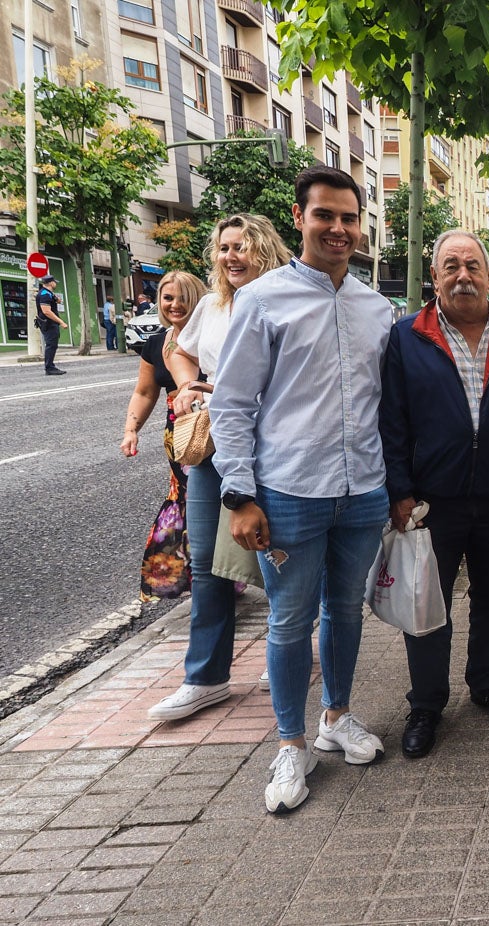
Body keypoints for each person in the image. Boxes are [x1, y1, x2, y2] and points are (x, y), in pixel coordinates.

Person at [211, 166, 393, 813]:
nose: (338, 229)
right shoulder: (263, 300)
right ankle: (290, 743)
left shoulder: (378, 309)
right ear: (299, 217)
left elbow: (388, 407)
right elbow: (231, 404)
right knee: (289, 620)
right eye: (326, 216)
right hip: (287, 492)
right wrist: (238, 494)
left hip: (364, 491)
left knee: (344, 610)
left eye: (349, 218)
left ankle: (336, 717)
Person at [380, 229, 489, 758]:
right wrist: (399, 490)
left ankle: (488, 683)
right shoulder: (407, 337)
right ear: (435, 278)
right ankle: (426, 702)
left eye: (473, 266)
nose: (463, 275)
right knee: (427, 604)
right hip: (431, 501)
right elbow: (391, 421)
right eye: (451, 266)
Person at [148, 215, 294, 723]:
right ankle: (205, 677)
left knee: (281, 555)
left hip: (275, 445)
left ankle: (287, 655)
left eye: (243, 247)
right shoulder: (212, 305)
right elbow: (179, 350)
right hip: (214, 447)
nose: (232, 256)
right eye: (225, 248)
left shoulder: (284, 301)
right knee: (208, 560)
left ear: (265, 250)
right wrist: (190, 384)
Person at [121, 271, 207, 602]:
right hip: (181, 434)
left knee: (204, 499)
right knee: (187, 498)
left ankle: (215, 577)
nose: (175, 304)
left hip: (214, 427)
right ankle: (197, 578)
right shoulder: (156, 342)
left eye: (183, 297)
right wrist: (131, 430)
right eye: (168, 298)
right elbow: (144, 392)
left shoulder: (212, 338)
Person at [34, 275, 67, 375]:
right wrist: (61, 322)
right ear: (51, 283)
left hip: (49, 323)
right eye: (54, 282)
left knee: (53, 345)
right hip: (48, 323)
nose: (56, 284)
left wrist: (56, 300)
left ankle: (50, 366)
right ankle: (49, 368)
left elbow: (53, 303)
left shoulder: (48, 293)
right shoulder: (44, 294)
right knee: (51, 345)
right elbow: (46, 311)